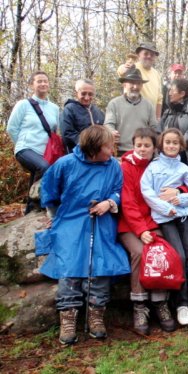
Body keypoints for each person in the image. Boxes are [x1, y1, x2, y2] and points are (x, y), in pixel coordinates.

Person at [36, 125, 130, 345]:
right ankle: (68, 318)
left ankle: (96, 315)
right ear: (94, 148)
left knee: (101, 264)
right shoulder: (66, 164)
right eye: (108, 146)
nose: (112, 150)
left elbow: (119, 190)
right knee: (69, 266)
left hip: (102, 221)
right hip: (70, 220)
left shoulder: (113, 166)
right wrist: (54, 214)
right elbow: (49, 189)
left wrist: (109, 202)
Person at [118, 128, 181, 335]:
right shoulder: (126, 167)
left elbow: (181, 181)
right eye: (139, 145)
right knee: (139, 252)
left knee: (159, 252)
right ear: (133, 146)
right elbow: (127, 203)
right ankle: (139, 306)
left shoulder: (158, 166)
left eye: (147, 146)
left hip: (153, 221)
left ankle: (160, 303)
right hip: (130, 224)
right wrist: (140, 230)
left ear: (155, 148)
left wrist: (181, 192)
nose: (143, 149)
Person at [141, 128, 188, 326]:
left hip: (183, 216)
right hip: (165, 219)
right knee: (179, 257)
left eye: (175, 143)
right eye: (168, 142)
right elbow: (147, 192)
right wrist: (166, 208)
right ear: (161, 144)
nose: (171, 146)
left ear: (180, 146)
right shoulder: (152, 167)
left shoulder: (183, 169)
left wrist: (179, 198)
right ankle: (181, 304)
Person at [7, 71, 60, 213]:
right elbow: (11, 128)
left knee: (39, 173)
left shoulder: (54, 108)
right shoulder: (23, 104)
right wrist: (22, 143)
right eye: (39, 81)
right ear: (32, 85)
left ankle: (30, 208)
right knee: (44, 167)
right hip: (25, 148)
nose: (43, 84)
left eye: (45, 81)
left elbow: (55, 132)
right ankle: (45, 204)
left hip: (45, 152)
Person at [104, 67, 157, 155]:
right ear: (124, 84)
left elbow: (154, 127)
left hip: (142, 152)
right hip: (120, 152)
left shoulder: (148, 105)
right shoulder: (114, 103)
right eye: (132, 83)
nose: (135, 87)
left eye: (138, 83)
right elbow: (108, 124)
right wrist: (112, 132)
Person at [159, 78, 188, 180]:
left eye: (172, 90)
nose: (169, 93)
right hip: (168, 159)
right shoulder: (167, 113)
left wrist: (175, 145)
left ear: (182, 93)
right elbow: (160, 132)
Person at [117, 42, 163, 120]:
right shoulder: (133, 67)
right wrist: (125, 68)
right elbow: (121, 71)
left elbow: (159, 98)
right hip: (133, 114)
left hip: (150, 117)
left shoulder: (157, 74)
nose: (149, 56)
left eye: (152, 55)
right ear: (139, 55)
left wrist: (158, 117)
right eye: (146, 53)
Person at [60, 79, 105, 153]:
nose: (87, 98)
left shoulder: (98, 111)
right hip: (77, 154)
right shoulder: (69, 109)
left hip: (97, 154)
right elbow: (67, 134)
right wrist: (88, 144)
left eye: (90, 94)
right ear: (76, 93)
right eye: (83, 93)